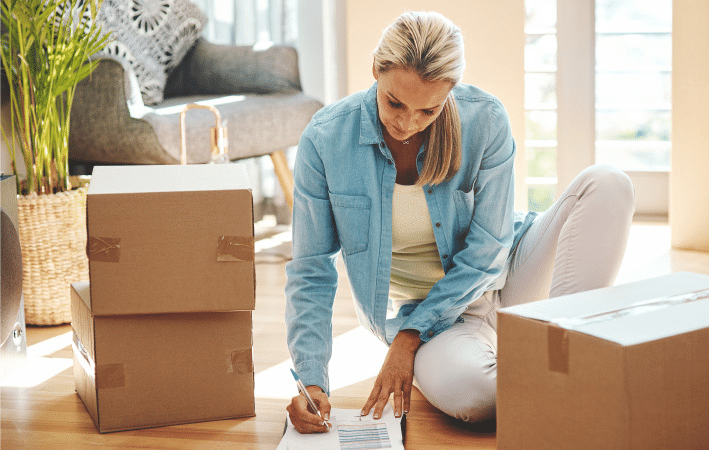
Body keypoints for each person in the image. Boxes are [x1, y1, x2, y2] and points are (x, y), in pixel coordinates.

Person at [284, 11, 634, 433]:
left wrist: (407, 337)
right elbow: (311, 269)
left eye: (428, 110)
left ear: (450, 92)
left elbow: (491, 248)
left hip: (515, 273)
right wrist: (312, 381)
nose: (407, 123)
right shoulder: (326, 140)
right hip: (440, 320)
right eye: (395, 102)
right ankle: (540, 370)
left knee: (609, 184)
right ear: (376, 69)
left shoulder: (484, 120)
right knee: (475, 398)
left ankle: (568, 359)